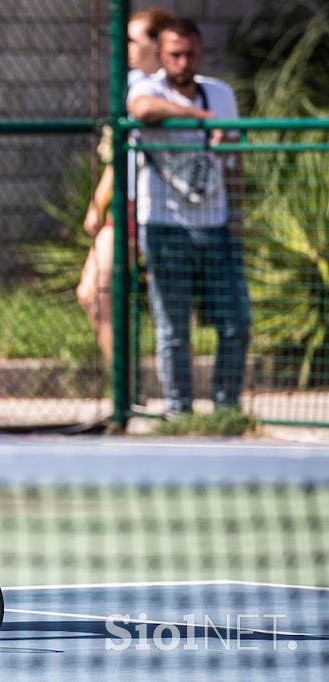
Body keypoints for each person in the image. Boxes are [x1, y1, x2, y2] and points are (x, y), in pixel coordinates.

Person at [128, 17, 249, 416]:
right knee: (174, 330)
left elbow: (234, 161)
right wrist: (205, 120)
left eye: (191, 53)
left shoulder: (220, 93)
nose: (184, 61)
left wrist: (238, 218)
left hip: (215, 226)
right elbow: (143, 110)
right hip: (165, 226)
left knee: (235, 324)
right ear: (162, 57)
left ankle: (226, 408)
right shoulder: (146, 87)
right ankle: (178, 411)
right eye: (175, 54)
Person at [77, 7, 172, 364]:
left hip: (147, 205)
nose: (125, 48)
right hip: (122, 206)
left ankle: (126, 383)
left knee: (101, 293)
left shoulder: (165, 92)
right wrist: (97, 204)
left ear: (157, 44)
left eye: (133, 40)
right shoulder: (131, 88)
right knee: (92, 293)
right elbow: (115, 162)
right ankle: (123, 378)